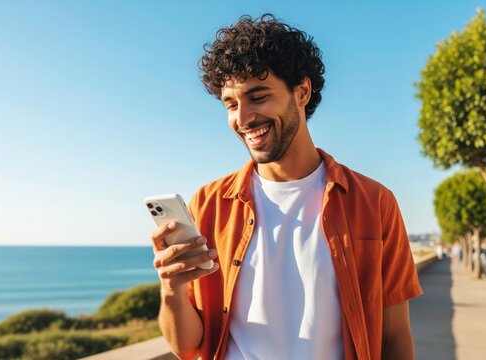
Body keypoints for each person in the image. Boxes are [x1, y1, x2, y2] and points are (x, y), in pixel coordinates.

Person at [150, 14, 422, 360]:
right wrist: (172, 290)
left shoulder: (373, 201)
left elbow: (395, 338)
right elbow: (188, 347)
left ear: (302, 92)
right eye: (231, 104)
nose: (243, 118)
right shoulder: (208, 204)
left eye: (258, 97)